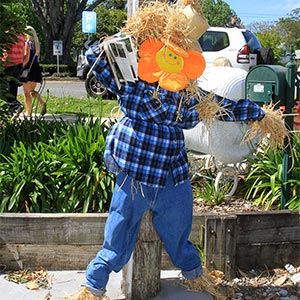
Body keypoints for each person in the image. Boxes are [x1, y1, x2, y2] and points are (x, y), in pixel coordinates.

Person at [65, 2, 268, 300]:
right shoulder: (131, 81)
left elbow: (223, 107)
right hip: (133, 173)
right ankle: (93, 287)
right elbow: (97, 57)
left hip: (171, 175)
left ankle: (195, 276)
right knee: (118, 232)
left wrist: (259, 114)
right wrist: (129, 36)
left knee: (179, 230)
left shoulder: (189, 96)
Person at [20, 26, 46, 117]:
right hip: (35, 68)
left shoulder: (27, 43)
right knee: (32, 91)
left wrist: (21, 67)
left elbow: (26, 57)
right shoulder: (36, 45)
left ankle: (28, 112)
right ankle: (42, 103)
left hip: (28, 68)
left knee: (26, 92)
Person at [1, 32, 27, 115]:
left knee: (3, 86)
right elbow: (23, 51)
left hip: (8, 63)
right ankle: (12, 107)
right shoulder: (22, 35)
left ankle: (14, 104)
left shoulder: (8, 34)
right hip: (18, 63)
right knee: (13, 86)